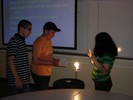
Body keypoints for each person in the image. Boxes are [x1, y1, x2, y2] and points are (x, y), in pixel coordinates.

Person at [30, 21, 62, 90]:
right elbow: (35, 60)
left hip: (46, 72)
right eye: (52, 32)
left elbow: (48, 56)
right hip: (39, 73)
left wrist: (54, 60)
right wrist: (53, 63)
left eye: (54, 33)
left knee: (43, 92)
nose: (54, 35)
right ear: (46, 31)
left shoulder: (49, 41)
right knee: (43, 94)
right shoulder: (39, 42)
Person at [6, 19, 32, 95]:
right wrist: (17, 79)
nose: (30, 32)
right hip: (17, 80)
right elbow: (10, 61)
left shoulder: (21, 40)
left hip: (23, 79)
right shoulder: (15, 41)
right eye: (29, 29)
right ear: (21, 29)